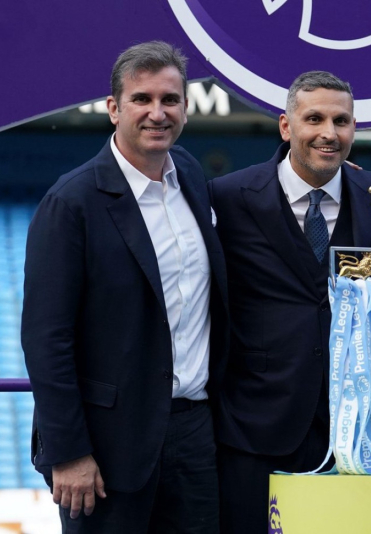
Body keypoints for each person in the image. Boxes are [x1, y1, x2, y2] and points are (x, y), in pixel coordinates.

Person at [21, 41, 229, 533]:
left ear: (185, 107)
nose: (158, 113)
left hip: (194, 435)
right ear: (114, 108)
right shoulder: (71, 202)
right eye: (142, 99)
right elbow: (47, 339)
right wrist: (69, 453)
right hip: (107, 447)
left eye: (170, 100)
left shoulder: (190, 174)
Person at [208, 71, 371, 533]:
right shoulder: (228, 197)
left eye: (341, 121)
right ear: (285, 125)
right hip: (253, 428)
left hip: (355, 434)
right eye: (314, 119)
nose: (329, 133)